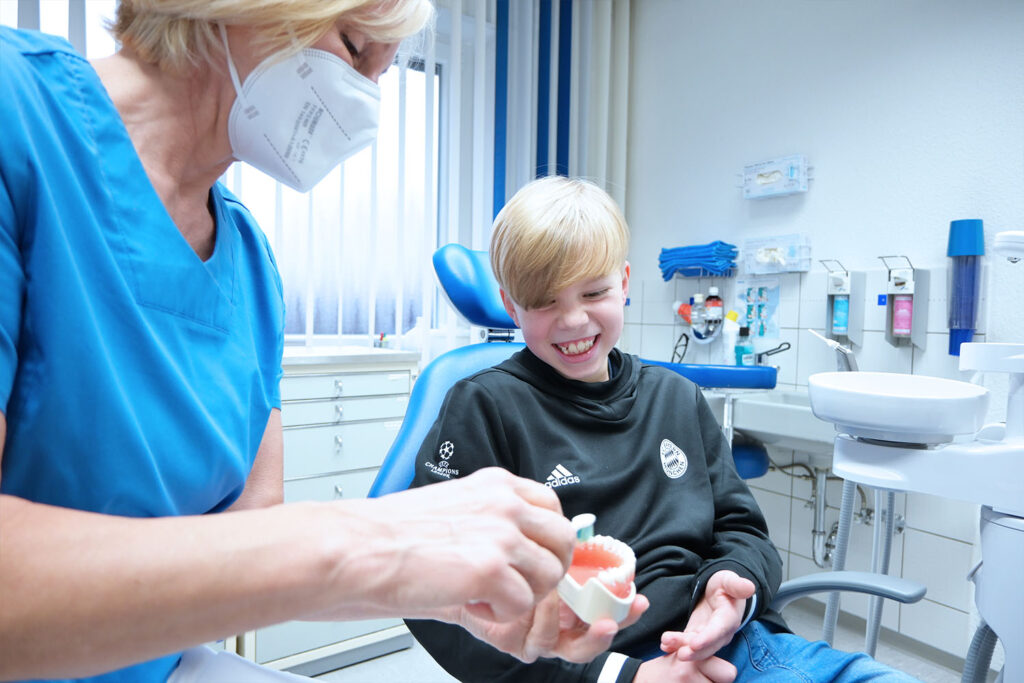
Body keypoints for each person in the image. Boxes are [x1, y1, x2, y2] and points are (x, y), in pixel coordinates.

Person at [0, 3, 645, 682]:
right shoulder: (19, 116)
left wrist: (454, 591)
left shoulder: (249, 266)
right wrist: (382, 542)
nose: (362, 104)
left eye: (382, 76)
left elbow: (247, 546)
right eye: (356, 48)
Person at [405, 176, 922, 682]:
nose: (574, 321)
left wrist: (729, 589)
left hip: (729, 646)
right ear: (512, 304)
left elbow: (743, 532)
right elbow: (434, 593)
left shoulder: (675, 397)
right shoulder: (486, 407)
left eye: (593, 292)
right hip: (586, 665)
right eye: (545, 302)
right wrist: (620, 676)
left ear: (625, 284)